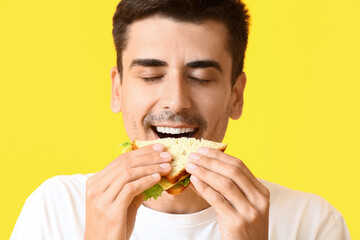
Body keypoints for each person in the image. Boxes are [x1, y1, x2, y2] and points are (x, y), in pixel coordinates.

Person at [11, 0, 350, 239]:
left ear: (236, 95)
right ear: (118, 90)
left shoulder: (312, 224)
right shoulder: (55, 209)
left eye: (201, 77)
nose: (176, 100)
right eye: (150, 75)